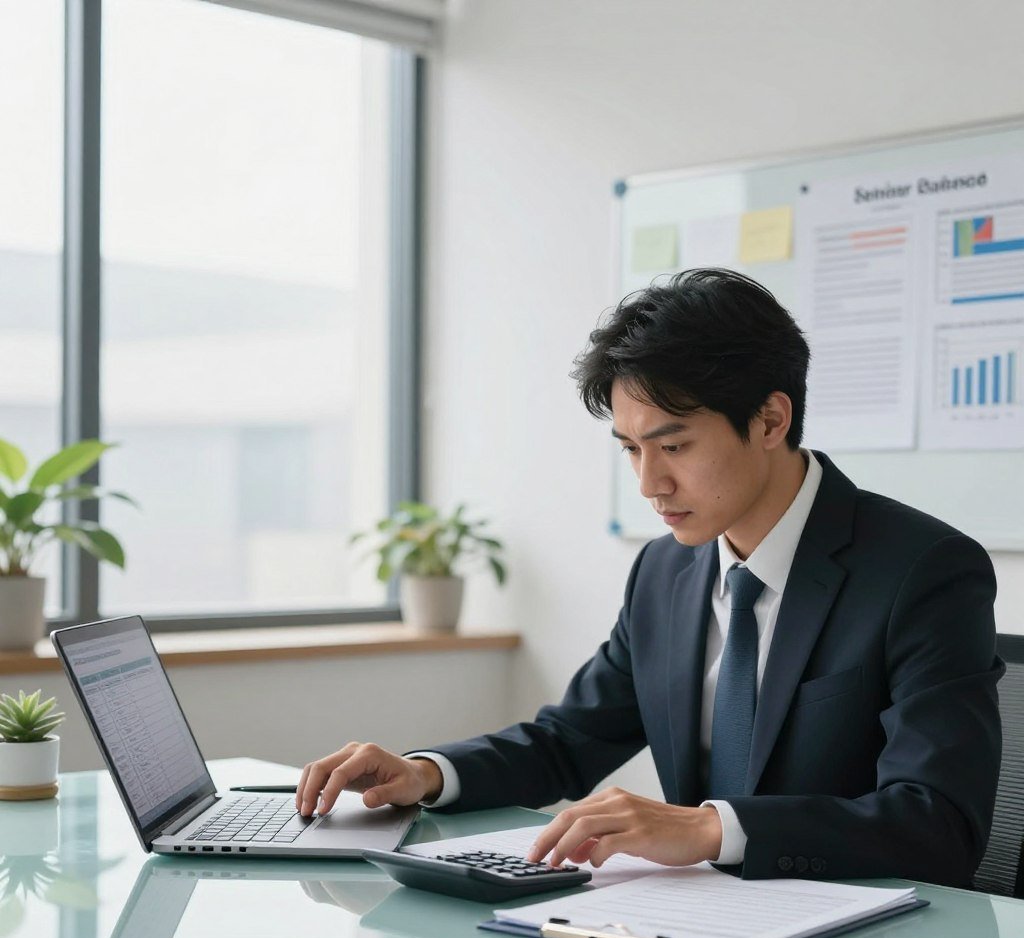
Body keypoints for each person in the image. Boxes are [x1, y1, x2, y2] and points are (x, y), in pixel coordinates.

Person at [296, 268, 1002, 891]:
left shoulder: (924, 571)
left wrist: (708, 829)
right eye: (632, 449)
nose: (649, 483)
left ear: (770, 419)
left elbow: (937, 823)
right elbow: (571, 739)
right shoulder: (666, 570)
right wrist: (426, 774)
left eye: (674, 445)